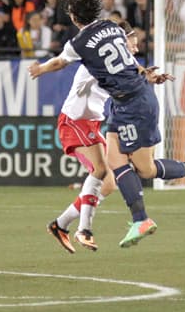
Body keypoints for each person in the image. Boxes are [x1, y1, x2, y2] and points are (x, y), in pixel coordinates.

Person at [29, 0, 185, 249]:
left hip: (127, 105)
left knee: (112, 165)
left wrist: (39, 69)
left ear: (75, 17)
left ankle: (136, 219)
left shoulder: (79, 44)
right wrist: (147, 74)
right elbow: (124, 62)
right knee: (142, 168)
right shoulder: (112, 27)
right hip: (137, 99)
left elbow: (58, 63)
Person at [45, 20, 141, 253]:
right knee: (100, 171)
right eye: (133, 44)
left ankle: (61, 224)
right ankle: (83, 229)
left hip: (90, 123)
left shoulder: (119, 65)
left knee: (108, 183)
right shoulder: (97, 61)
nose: (136, 49)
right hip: (74, 122)